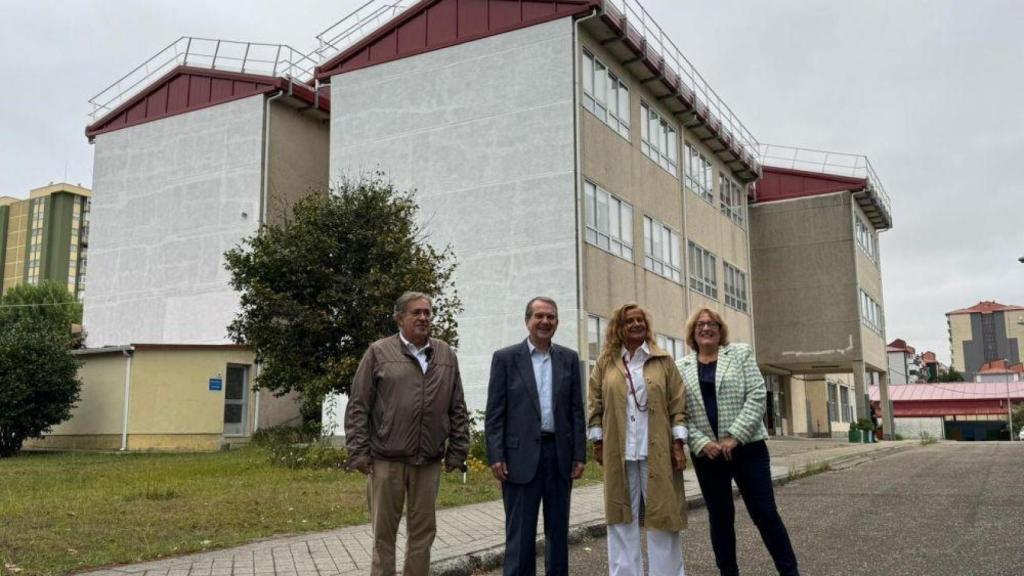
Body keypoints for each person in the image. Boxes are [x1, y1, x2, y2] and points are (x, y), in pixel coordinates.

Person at [345, 291, 469, 576]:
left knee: (423, 536)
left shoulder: (446, 355)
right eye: (417, 312)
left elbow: (457, 407)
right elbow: (358, 406)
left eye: (427, 312)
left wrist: (458, 450)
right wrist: (359, 452)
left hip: (428, 462)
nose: (424, 317)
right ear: (400, 318)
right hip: (386, 461)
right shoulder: (378, 352)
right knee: (383, 537)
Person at [676, 308, 799, 576]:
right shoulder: (681, 367)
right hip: (707, 455)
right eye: (700, 324)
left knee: (765, 514)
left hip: (748, 449)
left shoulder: (741, 354)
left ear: (720, 330)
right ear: (692, 332)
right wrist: (700, 443)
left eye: (712, 324)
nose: (706, 328)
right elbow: (678, 412)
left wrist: (735, 436)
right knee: (720, 519)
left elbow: (757, 395)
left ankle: (790, 572)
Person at [485, 296, 586, 576]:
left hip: (559, 457)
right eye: (539, 316)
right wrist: (496, 455)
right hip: (519, 459)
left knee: (558, 532)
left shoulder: (568, 358)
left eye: (551, 317)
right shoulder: (505, 359)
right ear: (527, 320)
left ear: (557, 322)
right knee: (520, 536)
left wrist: (579, 454)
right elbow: (495, 413)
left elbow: (576, 410)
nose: (545, 322)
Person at [587, 303, 689, 576]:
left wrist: (678, 444)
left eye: (640, 320)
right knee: (620, 518)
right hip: (618, 451)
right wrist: (597, 440)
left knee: (663, 518)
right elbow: (594, 402)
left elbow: (678, 404)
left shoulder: (663, 360)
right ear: (619, 328)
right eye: (629, 321)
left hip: (656, 451)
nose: (636, 325)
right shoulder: (606, 362)